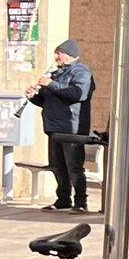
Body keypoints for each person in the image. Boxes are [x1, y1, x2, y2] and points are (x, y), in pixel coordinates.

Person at [28, 40, 95, 211]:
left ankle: (81, 202)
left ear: (69, 55)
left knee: (74, 167)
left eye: (59, 53)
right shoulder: (57, 74)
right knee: (58, 165)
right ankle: (63, 199)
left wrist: (50, 84)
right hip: (54, 128)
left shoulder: (81, 72)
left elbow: (76, 94)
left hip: (71, 128)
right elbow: (48, 101)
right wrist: (33, 97)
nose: (56, 57)